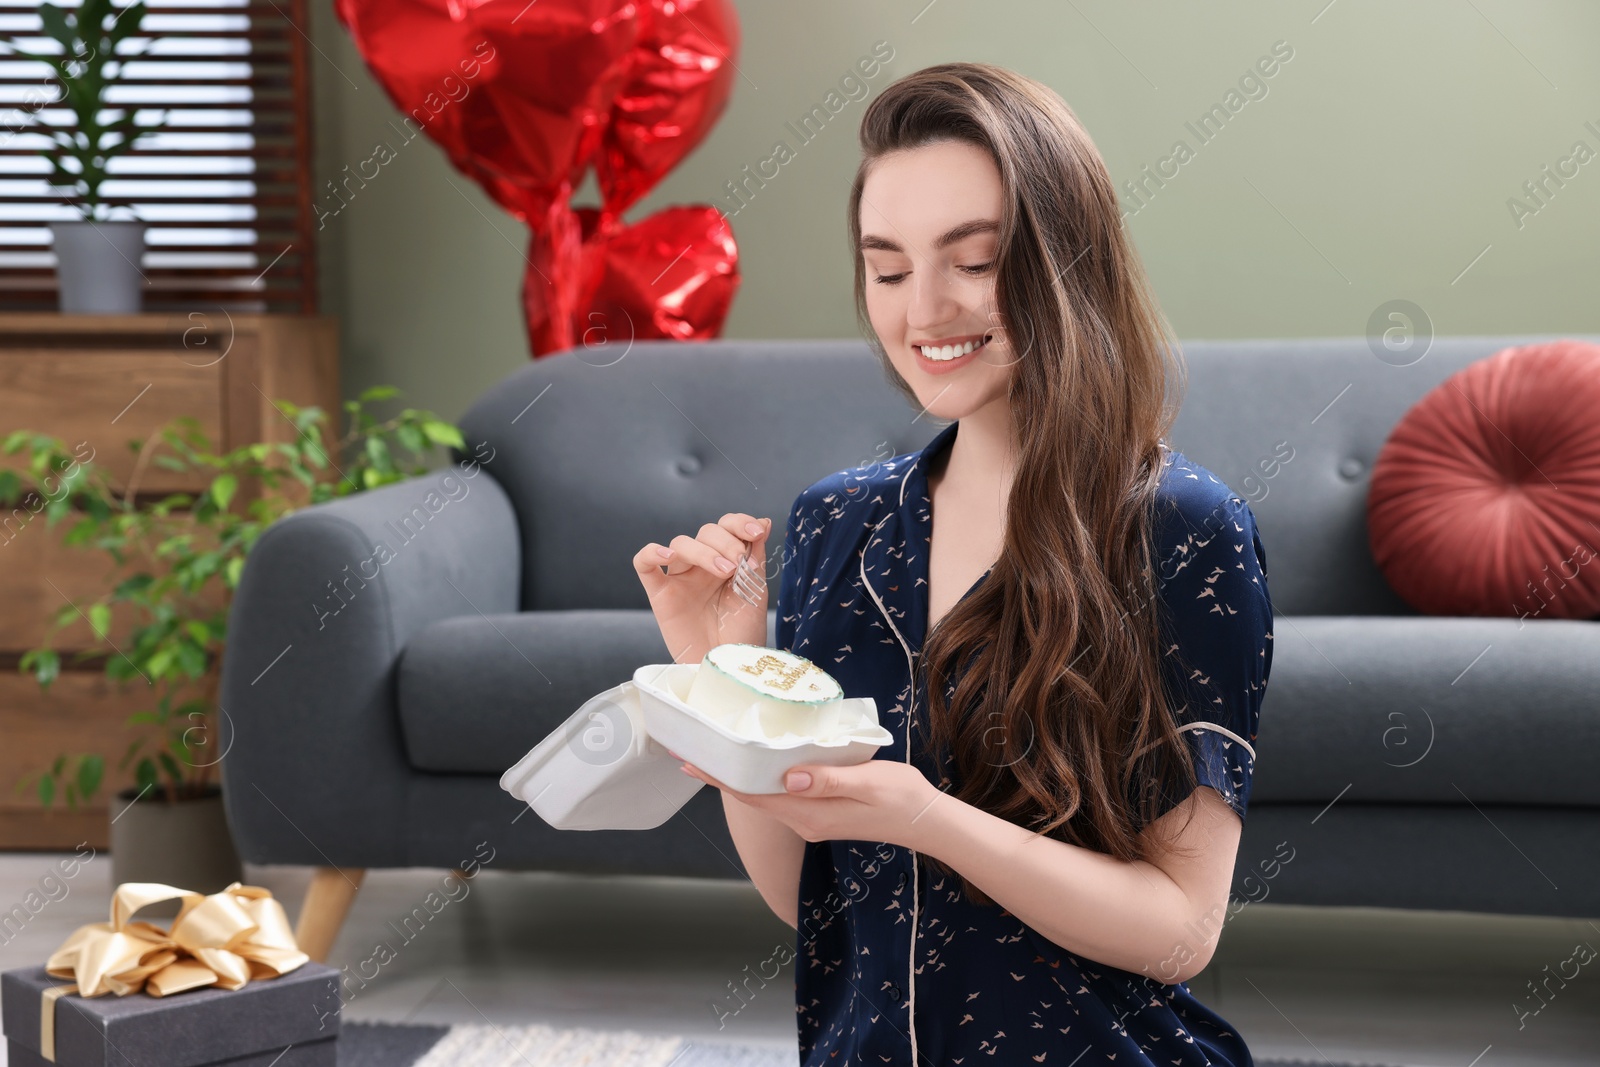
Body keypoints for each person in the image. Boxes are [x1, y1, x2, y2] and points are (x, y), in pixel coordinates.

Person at [633, 61, 1274, 1066]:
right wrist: (722, 677)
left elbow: (1181, 925)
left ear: (1068, 261)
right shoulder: (834, 521)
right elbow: (814, 902)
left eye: (972, 260)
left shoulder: (1180, 530)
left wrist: (930, 818)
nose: (922, 309)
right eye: (886, 270)